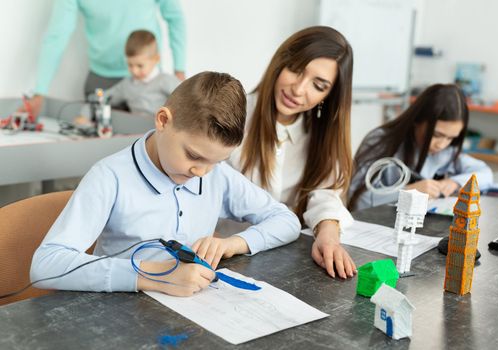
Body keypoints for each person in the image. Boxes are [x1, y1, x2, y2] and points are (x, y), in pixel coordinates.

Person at [30, 72, 301, 297]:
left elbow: (286, 221)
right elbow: (45, 266)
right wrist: (153, 276)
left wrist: (234, 243)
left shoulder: (216, 175)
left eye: (216, 161)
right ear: (162, 121)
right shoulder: (109, 176)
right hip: (119, 319)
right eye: (194, 155)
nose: (201, 172)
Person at [227, 26, 357, 279]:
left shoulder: (321, 134)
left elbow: (325, 192)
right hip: (223, 254)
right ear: (280, 62)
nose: (298, 90)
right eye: (296, 70)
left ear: (328, 95)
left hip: (278, 261)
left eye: (318, 85)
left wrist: (328, 235)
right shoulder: (234, 112)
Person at [22, 0, 186, 116]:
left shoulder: (164, 83)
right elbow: (57, 35)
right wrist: (39, 93)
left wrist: (179, 68)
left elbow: (175, 17)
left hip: (149, 85)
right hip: (101, 80)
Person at [348, 83, 493, 211]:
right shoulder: (380, 140)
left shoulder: (447, 151)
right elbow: (357, 200)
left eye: (451, 138)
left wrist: (454, 182)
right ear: (417, 120)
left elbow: (485, 174)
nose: (441, 145)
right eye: (436, 135)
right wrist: (407, 192)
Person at [105, 30, 181, 116]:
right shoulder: (126, 84)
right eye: (130, 65)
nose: (134, 71)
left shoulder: (165, 81)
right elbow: (104, 98)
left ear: (156, 59)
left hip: (161, 127)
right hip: (135, 127)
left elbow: (186, 99)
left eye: (140, 66)